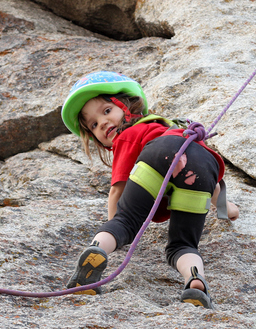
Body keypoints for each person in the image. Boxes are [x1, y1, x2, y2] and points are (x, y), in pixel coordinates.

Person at [60, 71, 239, 309]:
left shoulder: (129, 135)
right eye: (94, 124)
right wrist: (227, 209)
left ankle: (96, 249)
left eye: (106, 111)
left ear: (128, 106)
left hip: (160, 153)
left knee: (126, 221)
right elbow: (210, 183)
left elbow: (117, 191)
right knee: (182, 245)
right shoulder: (168, 127)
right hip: (203, 161)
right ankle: (195, 279)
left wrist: (116, 227)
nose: (102, 122)